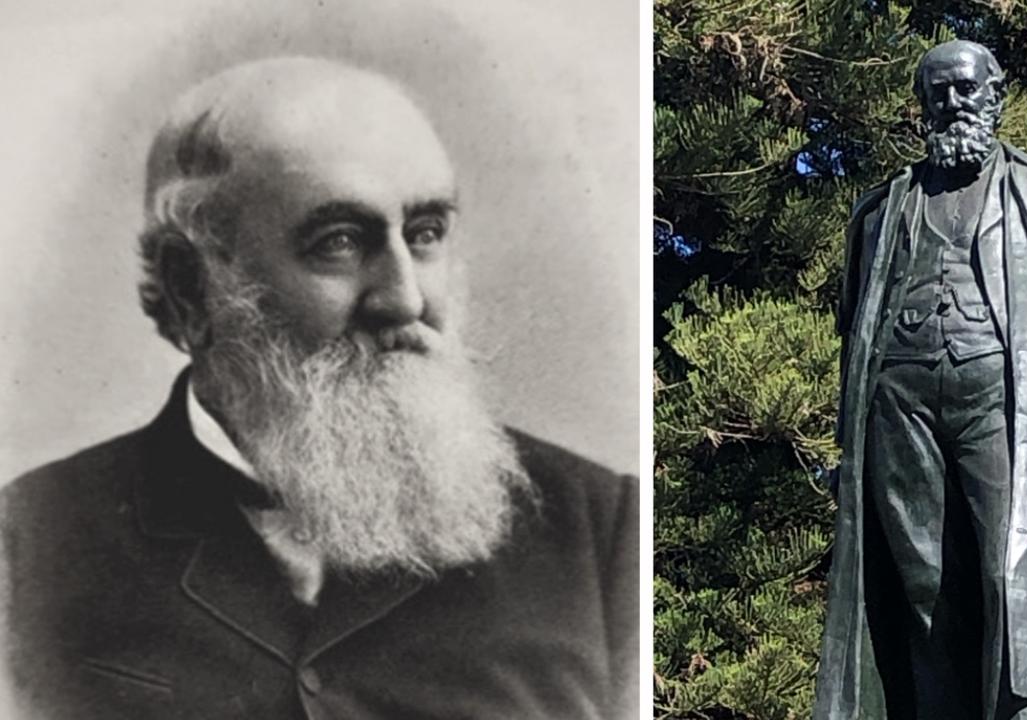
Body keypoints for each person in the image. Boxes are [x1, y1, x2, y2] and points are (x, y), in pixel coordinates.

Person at [1, 57, 637, 720]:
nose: (404, 298)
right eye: (337, 242)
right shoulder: (26, 545)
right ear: (191, 285)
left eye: (424, 235)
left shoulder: (603, 532)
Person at [813, 41, 1027, 720]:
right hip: (899, 406)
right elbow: (857, 326)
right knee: (922, 586)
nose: (951, 104)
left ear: (995, 92)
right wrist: (851, 440)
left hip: (1004, 401)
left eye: (965, 90)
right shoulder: (883, 209)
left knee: (1011, 576)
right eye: (936, 93)